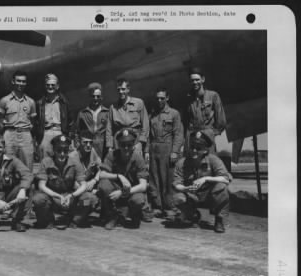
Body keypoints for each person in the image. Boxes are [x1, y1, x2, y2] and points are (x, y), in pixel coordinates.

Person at [32, 134, 97, 229]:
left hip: (69, 198)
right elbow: (41, 185)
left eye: (65, 151)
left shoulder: (75, 163)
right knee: (38, 199)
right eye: (59, 150)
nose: (62, 154)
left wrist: (72, 195)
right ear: (54, 150)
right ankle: (48, 220)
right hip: (53, 198)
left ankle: (76, 220)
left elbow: (83, 185)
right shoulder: (46, 162)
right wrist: (57, 196)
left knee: (90, 199)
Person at [172, 129, 231, 233]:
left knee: (222, 188)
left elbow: (226, 178)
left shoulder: (213, 160)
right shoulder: (181, 163)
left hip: (209, 194)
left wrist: (205, 178)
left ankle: (219, 219)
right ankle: (192, 214)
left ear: (205, 150)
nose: (194, 150)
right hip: (192, 194)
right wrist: (185, 189)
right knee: (177, 197)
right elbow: (177, 183)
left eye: (198, 148)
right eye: (192, 147)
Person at [98, 128, 149, 230]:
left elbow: (143, 186)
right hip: (115, 188)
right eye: (123, 145)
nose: (126, 148)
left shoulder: (138, 158)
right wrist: (118, 176)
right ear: (118, 145)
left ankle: (135, 215)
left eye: (129, 145)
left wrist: (123, 192)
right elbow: (101, 174)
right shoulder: (112, 154)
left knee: (138, 200)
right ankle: (112, 216)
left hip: (132, 191)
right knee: (104, 185)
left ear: (133, 145)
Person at [147, 87, 183, 219]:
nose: (159, 100)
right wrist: (147, 151)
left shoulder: (174, 114)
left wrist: (175, 151)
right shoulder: (153, 115)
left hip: (167, 148)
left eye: (162, 98)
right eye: (157, 98)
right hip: (153, 148)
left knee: (168, 179)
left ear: (167, 98)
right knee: (154, 179)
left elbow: (178, 134)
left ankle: (169, 207)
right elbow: (148, 135)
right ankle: (157, 206)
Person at [0, 70, 36, 171]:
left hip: (25, 134)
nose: (21, 84)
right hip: (9, 134)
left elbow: (33, 121)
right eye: (18, 81)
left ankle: (26, 186)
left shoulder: (31, 102)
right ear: (13, 82)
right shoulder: (4, 101)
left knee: (27, 164)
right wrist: (3, 137)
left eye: (23, 81)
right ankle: (7, 186)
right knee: (7, 164)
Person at [182, 67, 226, 155]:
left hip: (207, 139)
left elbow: (221, 120)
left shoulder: (213, 96)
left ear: (203, 79)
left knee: (208, 165)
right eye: (192, 80)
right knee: (191, 166)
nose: (195, 82)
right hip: (192, 138)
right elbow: (185, 121)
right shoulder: (187, 99)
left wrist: (211, 133)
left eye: (197, 79)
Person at [105, 78, 150, 156]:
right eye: (118, 89)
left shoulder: (138, 103)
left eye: (123, 89)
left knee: (135, 164)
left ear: (128, 89)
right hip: (119, 141)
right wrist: (109, 146)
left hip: (135, 140)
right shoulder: (113, 107)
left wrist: (140, 143)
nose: (120, 92)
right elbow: (109, 128)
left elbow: (145, 125)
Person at [34, 73, 72, 160]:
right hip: (45, 134)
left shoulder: (64, 102)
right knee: (44, 161)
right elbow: (36, 122)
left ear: (57, 86)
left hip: (60, 132)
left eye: (52, 85)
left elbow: (70, 121)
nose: (50, 87)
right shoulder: (40, 104)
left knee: (61, 160)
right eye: (48, 85)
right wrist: (37, 140)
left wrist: (68, 137)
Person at [75, 82, 109, 159]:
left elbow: (110, 132)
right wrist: (77, 145)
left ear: (101, 97)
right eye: (93, 96)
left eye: (98, 96)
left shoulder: (107, 113)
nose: (95, 99)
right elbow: (77, 132)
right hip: (87, 145)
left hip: (102, 146)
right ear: (89, 97)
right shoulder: (82, 113)